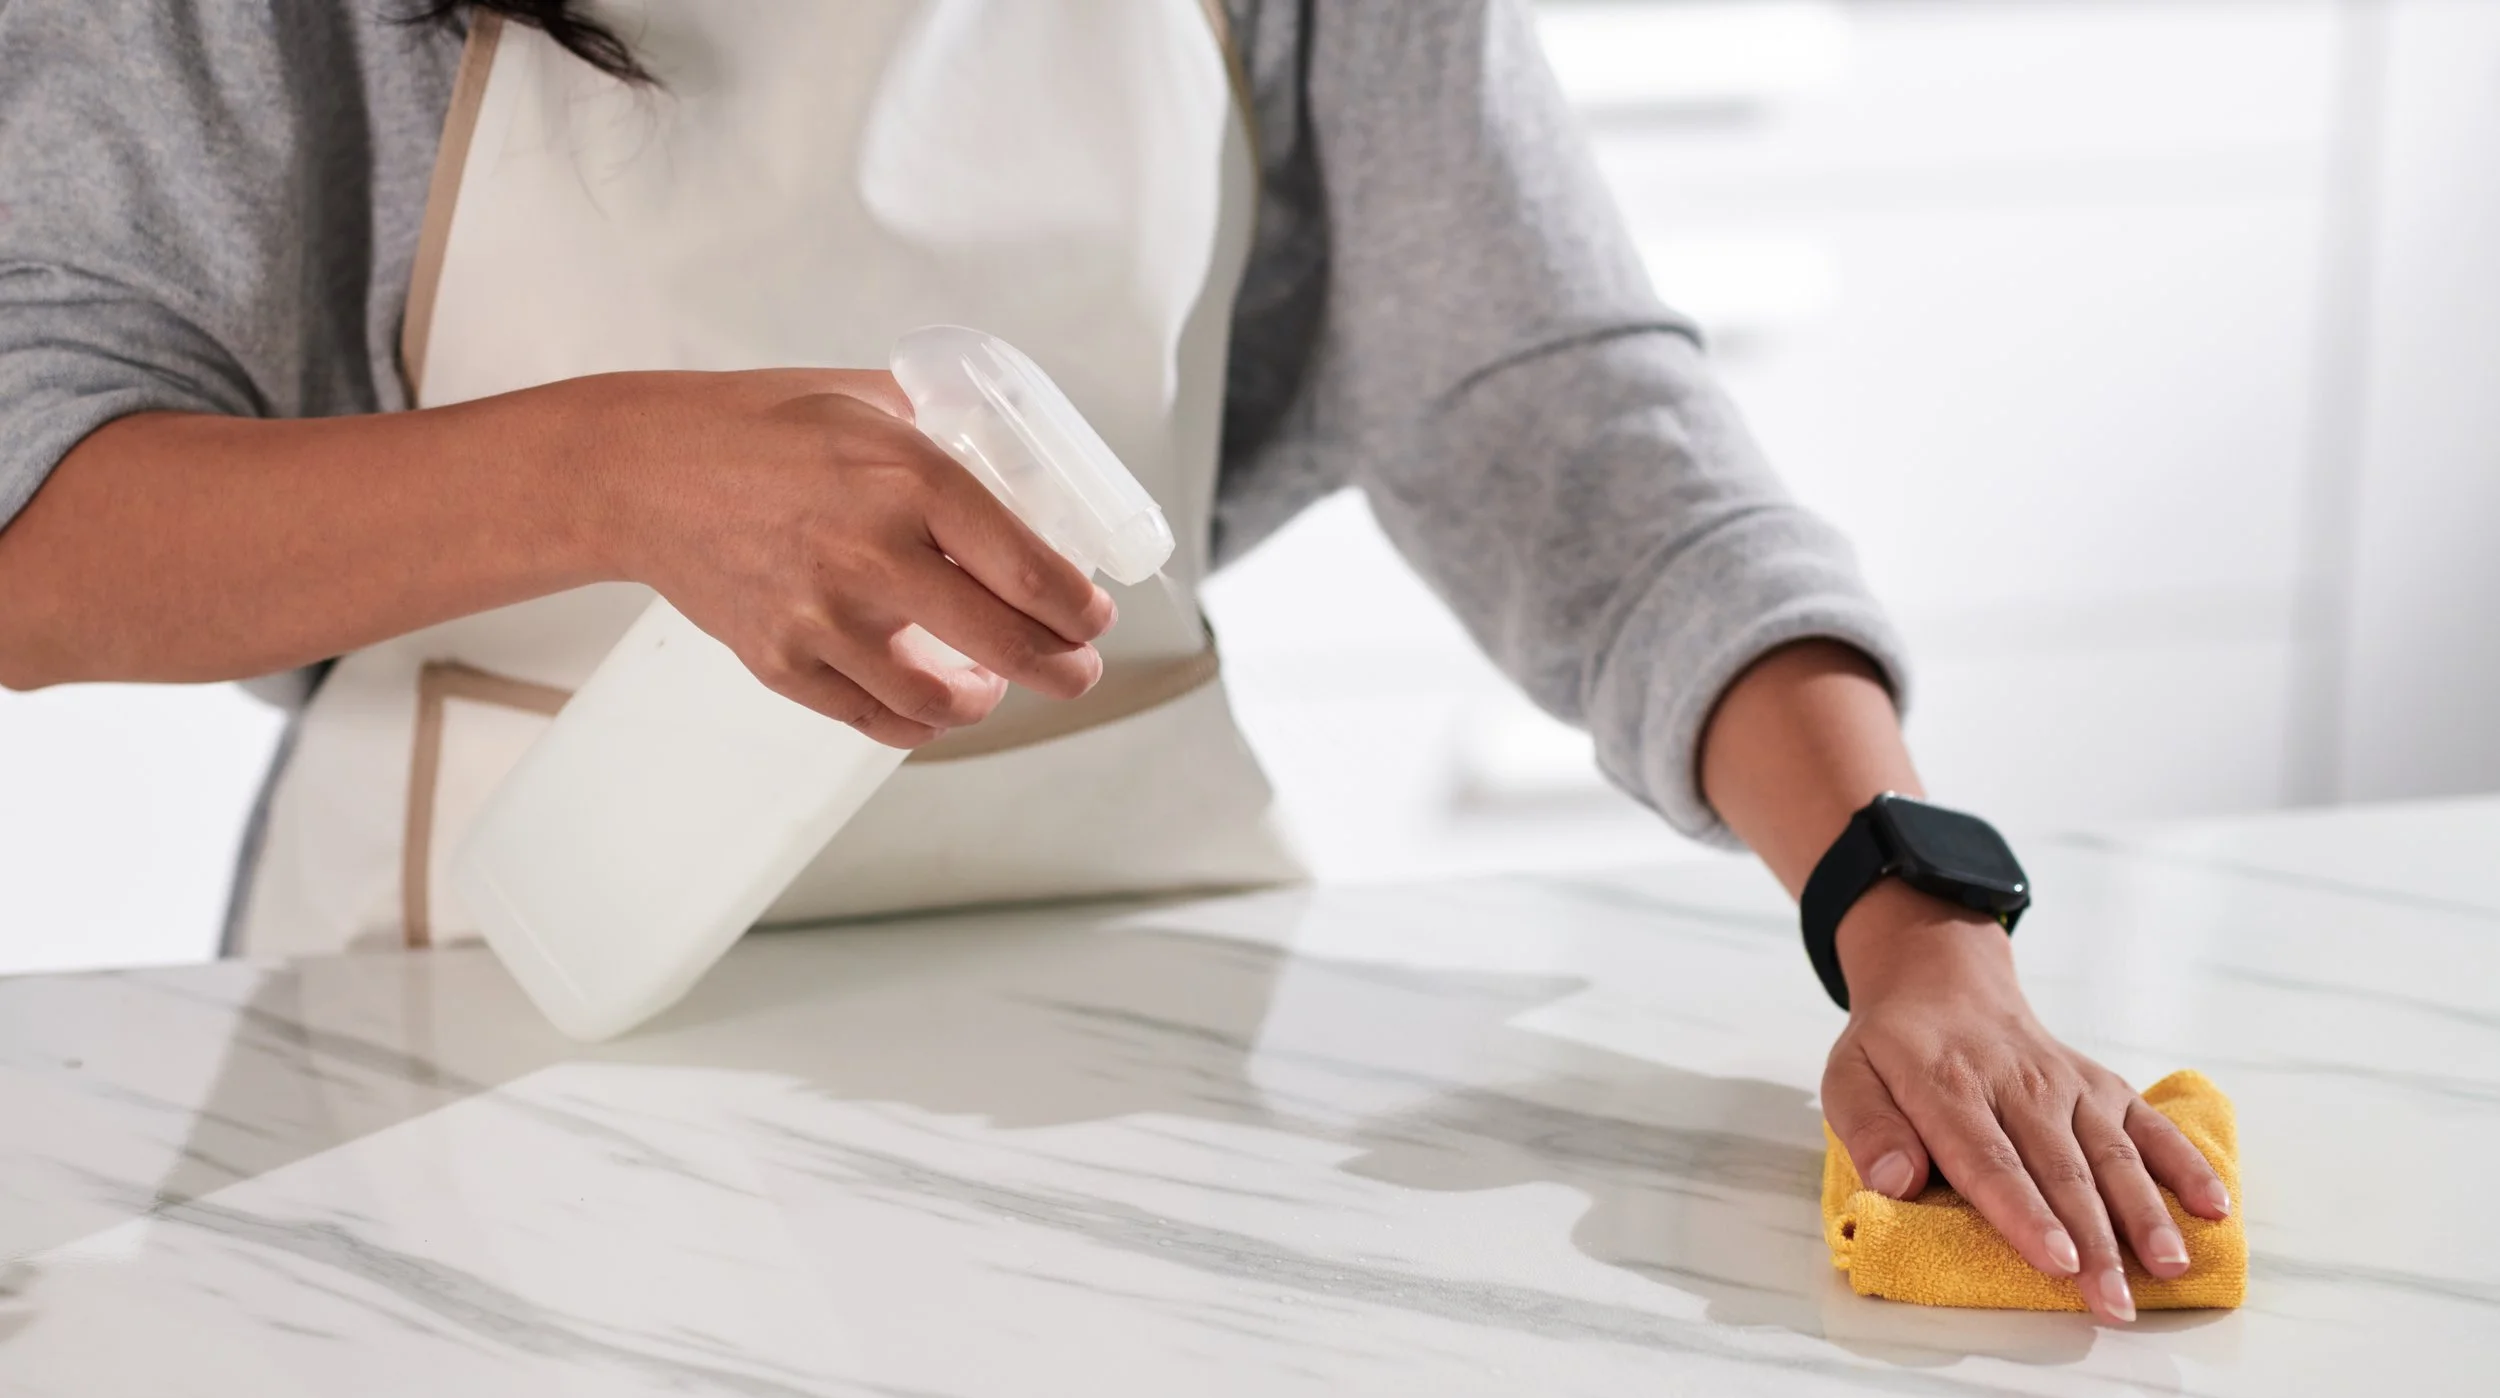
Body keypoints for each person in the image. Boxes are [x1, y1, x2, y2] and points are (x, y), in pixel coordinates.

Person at [0, 0, 2228, 1323]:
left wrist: (1905, 908)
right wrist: (604, 477)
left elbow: (1555, 410)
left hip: (1149, 1065)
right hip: (449, 1060)